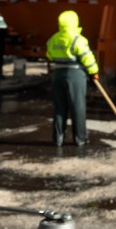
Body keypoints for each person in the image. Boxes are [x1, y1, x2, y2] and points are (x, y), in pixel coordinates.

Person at [45, 10, 99, 147]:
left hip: (57, 75)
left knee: (59, 107)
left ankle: (58, 139)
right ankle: (80, 138)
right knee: (77, 106)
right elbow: (87, 58)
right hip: (74, 75)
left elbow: (49, 55)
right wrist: (94, 72)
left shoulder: (53, 39)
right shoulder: (78, 40)